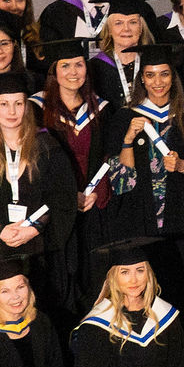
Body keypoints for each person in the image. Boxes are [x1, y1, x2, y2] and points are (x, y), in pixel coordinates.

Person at [0, 71, 81, 333]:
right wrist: (0, 227)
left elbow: (62, 196)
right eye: (4, 104)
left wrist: (34, 227)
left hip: (40, 245)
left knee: (40, 315)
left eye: (18, 103)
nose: (12, 111)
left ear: (27, 106)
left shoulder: (47, 145)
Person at [111, 44, 184, 308]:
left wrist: (182, 166)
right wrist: (127, 140)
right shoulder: (125, 117)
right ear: (141, 78)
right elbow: (121, 182)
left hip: (183, 223)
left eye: (164, 74)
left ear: (173, 77)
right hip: (140, 224)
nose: (158, 82)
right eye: (150, 75)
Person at [38, 38, 120, 299]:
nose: (73, 72)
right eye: (65, 66)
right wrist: (65, 196)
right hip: (54, 209)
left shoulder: (103, 110)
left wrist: (96, 191)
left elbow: (109, 157)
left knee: (93, 274)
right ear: (54, 72)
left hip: (93, 205)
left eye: (79, 65)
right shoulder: (36, 109)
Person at [87, 0, 157, 107]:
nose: (126, 29)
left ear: (141, 28)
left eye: (133, 22)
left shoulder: (153, 63)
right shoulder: (95, 67)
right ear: (109, 29)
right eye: (118, 23)